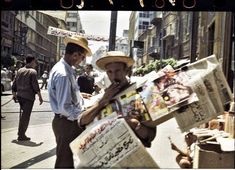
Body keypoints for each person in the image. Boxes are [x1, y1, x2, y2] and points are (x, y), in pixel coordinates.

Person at [48, 36, 120, 168]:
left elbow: (62, 94)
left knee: (70, 160)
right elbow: (66, 109)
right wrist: (89, 111)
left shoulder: (66, 69)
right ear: (75, 55)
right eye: (82, 57)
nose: (83, 61)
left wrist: (79, 96)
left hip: (67, 122)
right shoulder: (63, 74)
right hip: (67, 123)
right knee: (65, 162)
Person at [95, 51, 157, 148]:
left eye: (118, 71)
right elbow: (83, 122)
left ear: (126, 71)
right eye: (110, 72)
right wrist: (102, 101)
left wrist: (134, 124)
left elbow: (150, 135)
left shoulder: (140, 92)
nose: (114, 76)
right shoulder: (104, 96)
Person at [12, 54, 43, 141]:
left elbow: (14, 83)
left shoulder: (20, 70)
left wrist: (14, 94)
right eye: (35, 62)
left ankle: (20, 133)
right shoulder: (33, 72)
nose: (35, 64)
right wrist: (40, 97)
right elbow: (35, 86)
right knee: (25, 116)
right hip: (28, 98)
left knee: (22, 116)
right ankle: (21, 135)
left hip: (20, 96)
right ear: (32, 61)